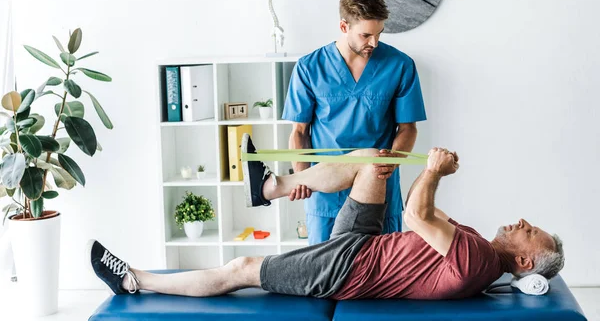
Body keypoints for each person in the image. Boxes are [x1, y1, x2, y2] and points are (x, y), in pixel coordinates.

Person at [88, 134, 565, 300]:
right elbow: (422, 206)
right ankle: (271, 188)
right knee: (370, 156)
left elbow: (417, 216)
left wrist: (437, 171)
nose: (522, 221)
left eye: (530, 231)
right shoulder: (475, 244)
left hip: (346, 268)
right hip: (365, 241)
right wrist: (427, 172)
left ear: (524, 262)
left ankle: (136, 280)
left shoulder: (479, 260)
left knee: (242, 270)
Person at [282, 0, 427, 244]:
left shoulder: (400, 65)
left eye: (379, 34)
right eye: (365, 35)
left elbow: (408, 128)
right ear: (343, 26)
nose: (374, 43)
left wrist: (392, 160)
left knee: (384, 273)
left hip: (379, 185)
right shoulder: (309, 67)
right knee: (323, 274)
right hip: (326, 189)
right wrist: (301, 178)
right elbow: (300, 132)